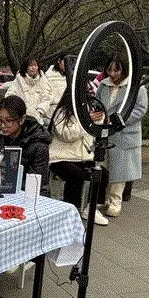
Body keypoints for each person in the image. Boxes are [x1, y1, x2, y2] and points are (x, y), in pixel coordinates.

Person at [95, 52, 148, 217]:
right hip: (105, 133)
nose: (112, 74)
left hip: (124, 134)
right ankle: (104, 200)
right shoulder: (103, 85)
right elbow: (97, 104)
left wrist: (118, 120)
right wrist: (98, 116)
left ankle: (115, 201)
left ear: (124, 69)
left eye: (116, 70)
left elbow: (140, 110)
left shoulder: (136, 87)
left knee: (120, 171)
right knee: (104, 167)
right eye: (109, 70)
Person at [48, 89, 109, 225]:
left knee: (102, 173)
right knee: (77, 175)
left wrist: (100, 120)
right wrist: (87, 121)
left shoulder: (86, 112)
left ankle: (91, 209)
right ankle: (72, 209)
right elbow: (68, 135)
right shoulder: (61, 113)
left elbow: (95, 133)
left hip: (82, 158)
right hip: (60, 158)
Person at [0, 95, 50, 195]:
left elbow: (36, 181)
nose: (2, 125)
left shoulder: (38, 145)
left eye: (8, 121)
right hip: (1, 191)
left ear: (22, 119)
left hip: (32, 195)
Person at [5, 56, 53, 127]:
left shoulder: (43, 80)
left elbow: (47, 97)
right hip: (22, 120)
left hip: (38, 119)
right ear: (26, 67)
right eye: (31, 66)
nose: (34, 68)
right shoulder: (18, 81)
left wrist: (40, 111)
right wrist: (21, 112)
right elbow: (10, 97)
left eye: (35, 65)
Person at [45, 52, 67, 122]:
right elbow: (45, 95)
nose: (67, 64)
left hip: (65, 114)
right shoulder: (49, 76)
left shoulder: (68, 77)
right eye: (65, 62)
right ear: (59, 61)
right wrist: (58, 101)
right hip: (52, 114)